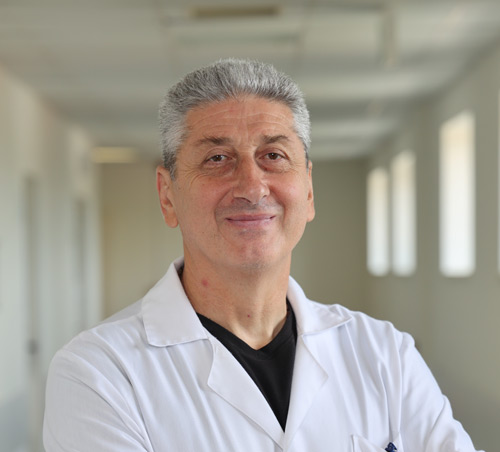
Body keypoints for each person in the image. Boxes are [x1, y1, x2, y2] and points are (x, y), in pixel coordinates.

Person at [43, 59, 483, 452]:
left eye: (273, 155)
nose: (252, 187)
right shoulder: (99, 374)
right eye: (217, 158)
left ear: (308, 191)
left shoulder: (385, 355)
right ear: (167, 195)